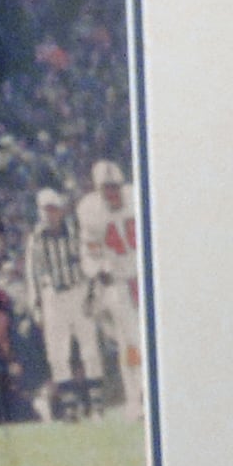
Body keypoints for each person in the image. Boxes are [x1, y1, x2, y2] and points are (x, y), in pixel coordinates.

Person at [78, 157, 144, 418]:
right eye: (107, 188)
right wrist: (99, 270)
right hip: (119, 281)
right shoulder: (89, 210)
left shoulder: (136, 197)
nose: (113, 193)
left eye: (115, 187)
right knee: (131, 343)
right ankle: (135, 400)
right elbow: (90, 252)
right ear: (98, 190)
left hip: (145, 277)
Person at [21, 186, 95, 417]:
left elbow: (87, 261)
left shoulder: (74, 232)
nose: (50, 214)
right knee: (57, 354)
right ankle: (70, 406)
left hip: (77, 290)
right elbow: (32, 273)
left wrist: (92, 292)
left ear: (61, 210)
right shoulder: (36, 238)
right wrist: (36, 305)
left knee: (89, 348)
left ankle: (96, 404)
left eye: (53, 209)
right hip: (53, 295)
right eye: (46, 210)